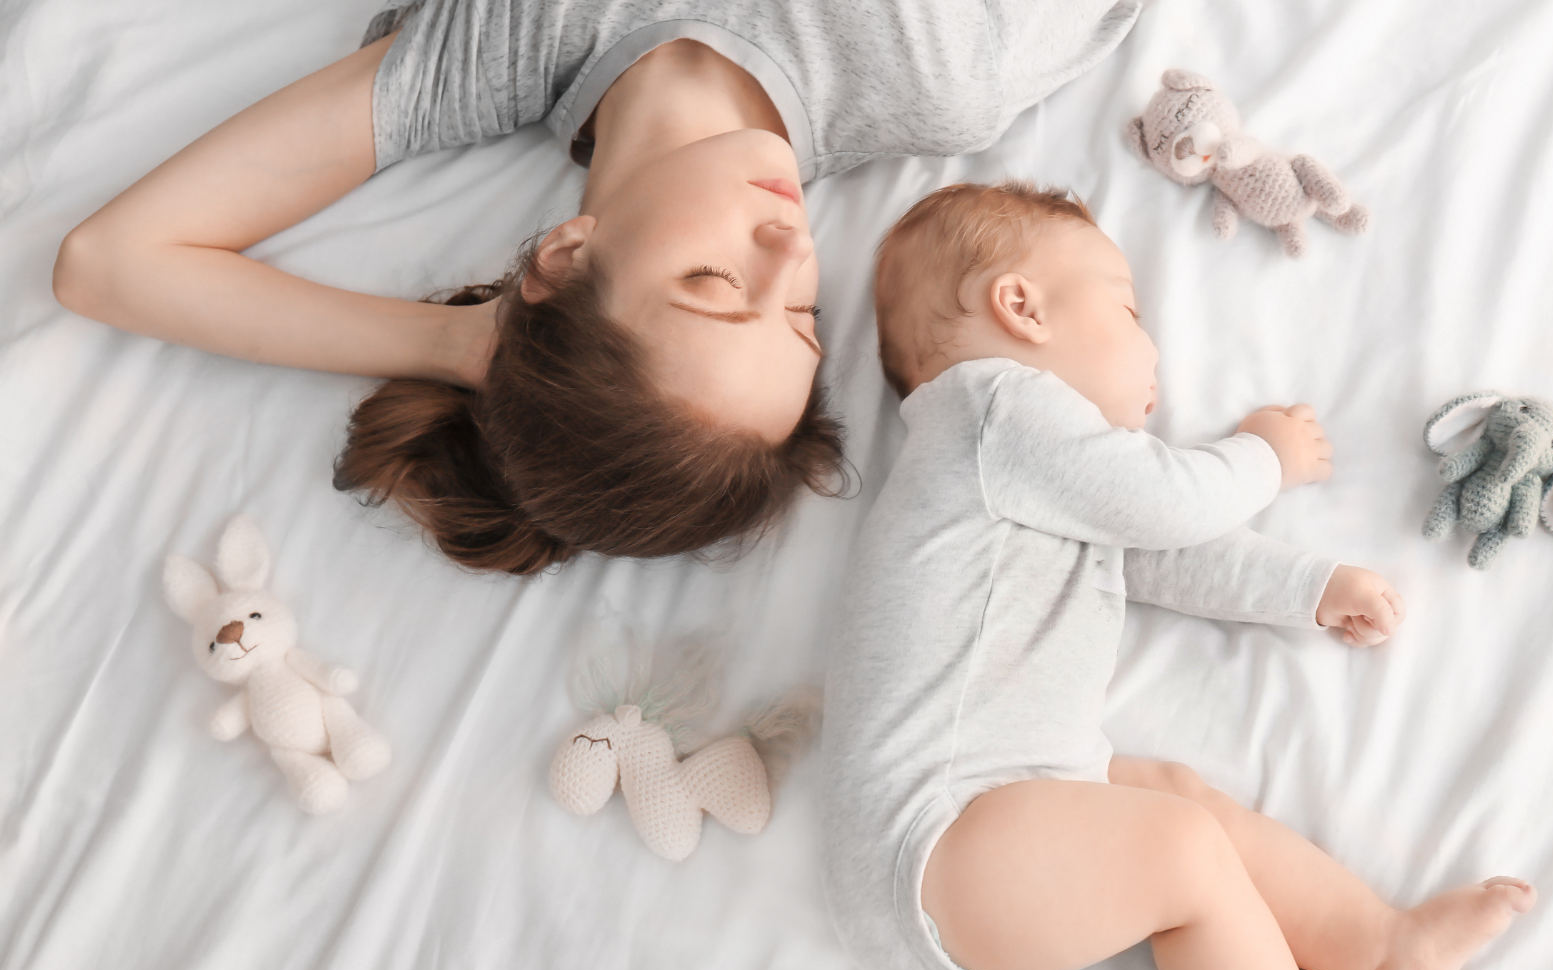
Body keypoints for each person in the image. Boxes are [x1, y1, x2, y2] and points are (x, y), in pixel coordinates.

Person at [823, 183, 1535, 970]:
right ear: (1022, 307)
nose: (1152, 346)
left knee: (1175, 797)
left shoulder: (1031, 480)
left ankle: (1385, 947)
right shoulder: (991, 409)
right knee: (1178, 849)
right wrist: (1264, 455)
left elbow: (1161, 548)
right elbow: (1167, 502)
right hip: (931, 851)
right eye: (1127, 308)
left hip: (989, 837)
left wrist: (1305, 588)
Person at [51, 1, 1146, 573]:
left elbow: (109, 263)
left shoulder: (501, 47)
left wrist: (463, 347)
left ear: (564, 258)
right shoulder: (937, 71)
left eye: (715, 283)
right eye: (805, 315)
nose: (787, 244)